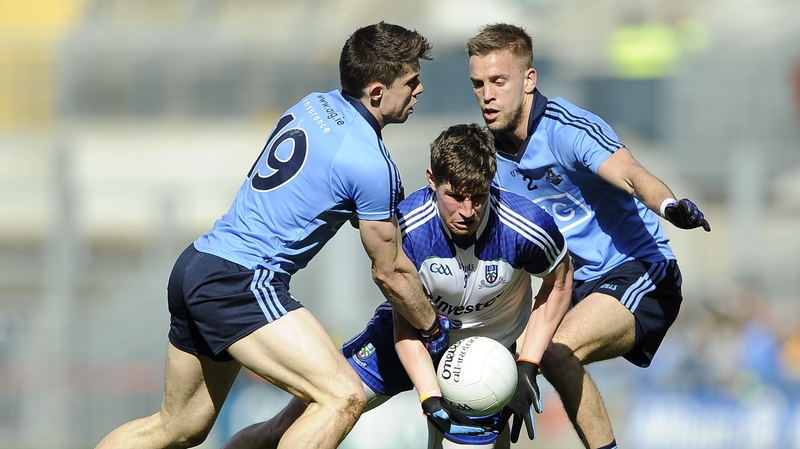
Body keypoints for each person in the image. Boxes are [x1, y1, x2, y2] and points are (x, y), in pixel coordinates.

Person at [93, 22, 451, 449]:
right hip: (241, 281)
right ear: (377, 92)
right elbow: (389, 273)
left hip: (198, 263)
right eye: (411, 81)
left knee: (178, 427)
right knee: (342, 397)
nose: (420, 90)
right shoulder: (370, 162)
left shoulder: (313, 104)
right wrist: (433, 327)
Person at [220, 123, 573, 449]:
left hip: (484, 358)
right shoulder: (407, 227)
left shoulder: (527, 227)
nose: (468, 210)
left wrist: (526, 363)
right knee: (286, 427)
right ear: (432, 179)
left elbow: (558, 284)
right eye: (455, 196)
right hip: (406, 339)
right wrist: (429, 395)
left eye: (478, 197)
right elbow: (407, 319)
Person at [466, 23, 712, 449]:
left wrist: (669, 205)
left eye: (498, 81)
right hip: (568, 288)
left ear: (529, 80)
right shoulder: (486, 156)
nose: (487, 94)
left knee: (556, 350)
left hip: (639, 271)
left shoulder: (567, 128)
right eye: (478, 84)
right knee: (489, 374)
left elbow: (632, 174)